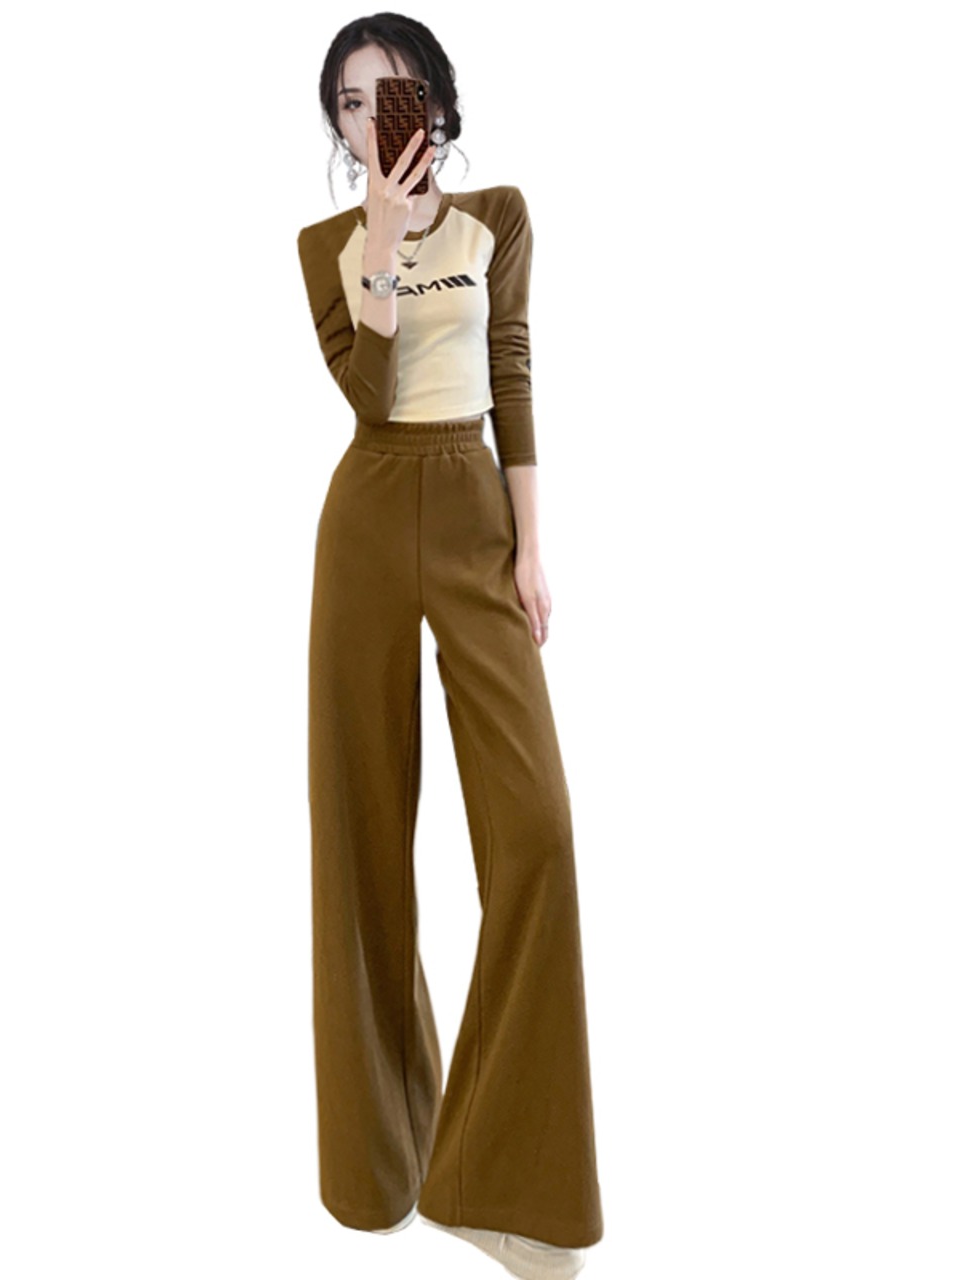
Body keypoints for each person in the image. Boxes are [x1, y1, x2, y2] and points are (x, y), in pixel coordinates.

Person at [296, 16, 604, 1279]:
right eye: (350, 99)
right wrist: (375, 240)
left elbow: (510, 370)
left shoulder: (498, 220)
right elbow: (367, 395)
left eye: (395, 90)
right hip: (367, 517)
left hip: (474, 509)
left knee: (536, 831)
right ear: (336, 124)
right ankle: (377, 1168)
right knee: (361, 836)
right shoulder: (322, 246)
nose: (373, 114)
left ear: (435, 99)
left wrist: (530, 547)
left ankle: (493, 1178)